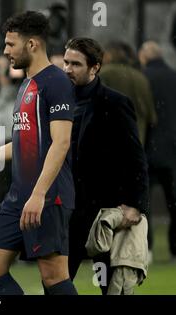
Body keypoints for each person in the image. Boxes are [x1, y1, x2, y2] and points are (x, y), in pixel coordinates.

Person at [0, 11, 77, 295]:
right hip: (19, 196)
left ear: (32, 45)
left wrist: (39, 195)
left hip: (48, 196)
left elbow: (61, 143)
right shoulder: (26, 83)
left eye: (10, 44)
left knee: (53, 277)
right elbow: (22, 143)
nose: (5, 51)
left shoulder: (56, 82)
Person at [62, 37, 149, 294]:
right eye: (66, 62)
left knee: (112, 287)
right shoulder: (58, 103)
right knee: (56, 283)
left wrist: (136, 205)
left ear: (95, 67)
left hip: (104, 210)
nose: (67, 69)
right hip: (69, 210)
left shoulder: (115, 102)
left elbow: (136, 157)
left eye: (75, 64)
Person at [139, 41, 176, 261]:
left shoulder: (143, 78)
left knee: (145, 203)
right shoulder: (173, 77)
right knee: (174, 202)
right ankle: (174, 249)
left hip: (148, 148)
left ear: (145, 56)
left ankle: (147, 247)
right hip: (172, 151)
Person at [99, 41, 157, 145]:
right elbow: (151, 116)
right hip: (136, 141)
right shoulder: (141, 77)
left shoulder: (104, 73)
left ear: (108, 55)